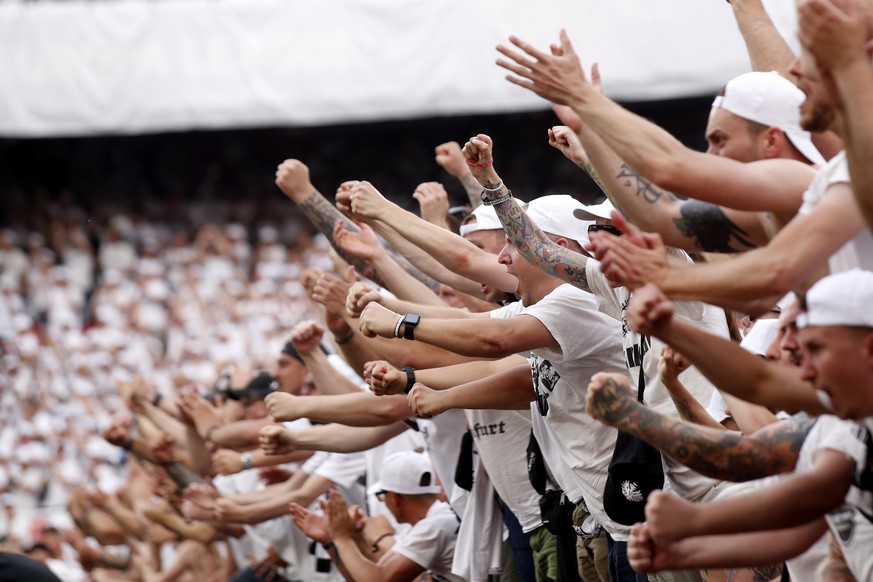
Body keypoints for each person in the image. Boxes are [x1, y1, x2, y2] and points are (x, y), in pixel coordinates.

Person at [321, 451, 465, 582]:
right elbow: (373, 572)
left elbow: (379, 580)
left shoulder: (435, 525)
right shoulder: (433, 519)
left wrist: (341, 538)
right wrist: (338, 540)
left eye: (381, 496)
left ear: (394, 498)